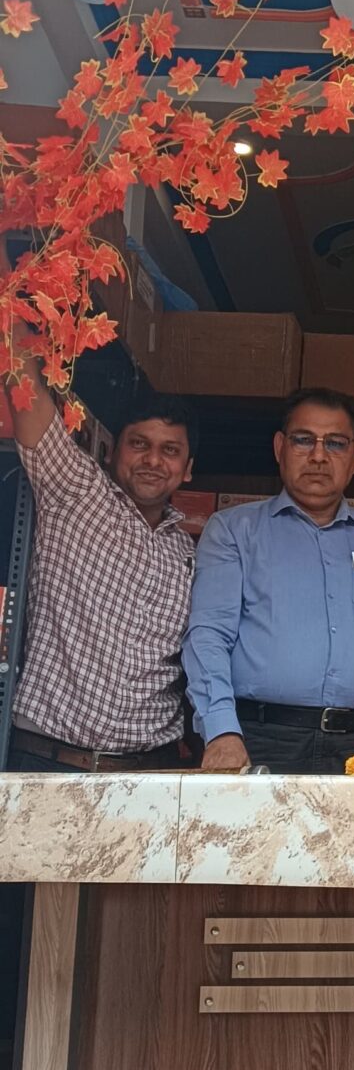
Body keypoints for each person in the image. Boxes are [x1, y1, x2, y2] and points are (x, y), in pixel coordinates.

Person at [183, 386, 354, 775]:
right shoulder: (234, 531)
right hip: (260, 739)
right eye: (303, 440)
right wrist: (221, 730)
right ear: (280, 447)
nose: (319, 456)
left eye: (336, 443)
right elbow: (208, 635)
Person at [3, 319, 197, 770]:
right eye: (139, 444)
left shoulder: (192, 556)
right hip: (48, 761)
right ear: (112, 450)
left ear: (188, 469)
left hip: (149, 772)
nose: (153, 460)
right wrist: (11, 296)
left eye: (170, 450)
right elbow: (26, 388)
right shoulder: (76, 492)